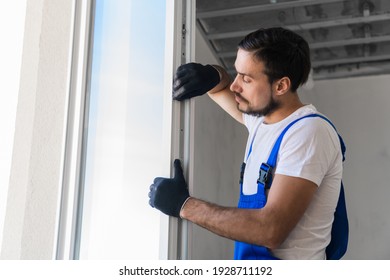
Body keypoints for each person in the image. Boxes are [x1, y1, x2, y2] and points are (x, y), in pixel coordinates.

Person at [148, 27, 343, 260]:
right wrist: (212, 74)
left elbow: (270, 229)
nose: (235, 86)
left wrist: (184, 205)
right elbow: (222, 86)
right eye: (237, 73)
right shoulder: (261, 121)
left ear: (281, 86)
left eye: (247, 79)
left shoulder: (308, 132)